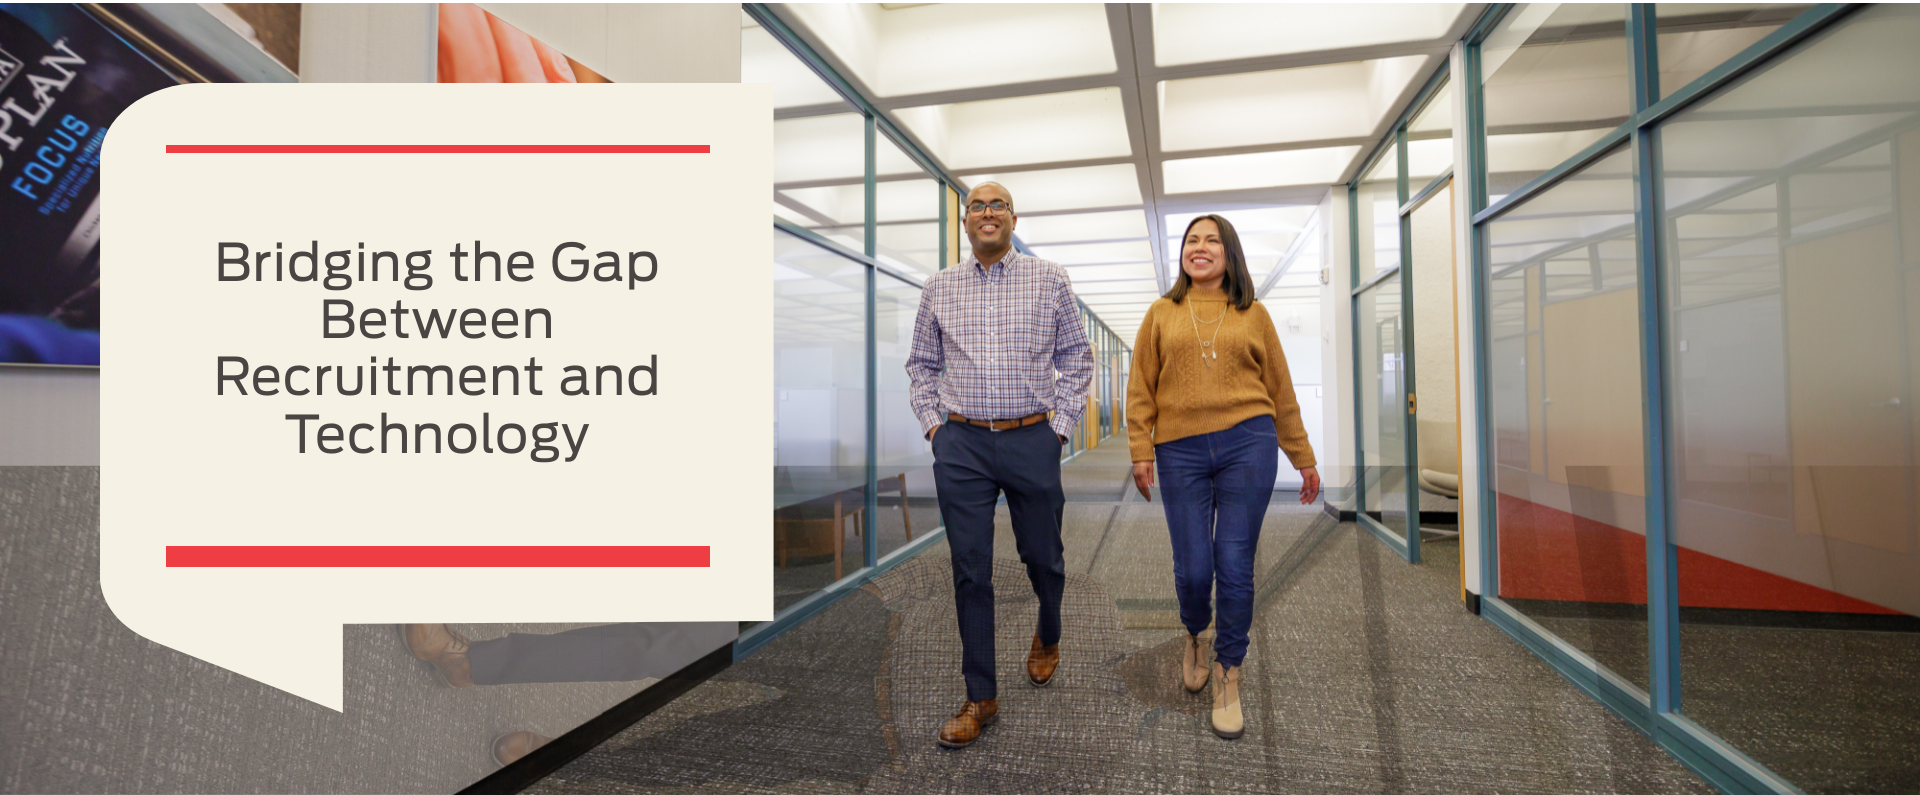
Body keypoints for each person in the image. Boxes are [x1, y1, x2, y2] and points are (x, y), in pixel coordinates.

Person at [905, 182, 1094, 749]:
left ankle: (1049, 630)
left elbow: (1077, 361)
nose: (987, 213)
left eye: (998, 205)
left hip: (1030, 437)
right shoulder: (939, 286)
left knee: (1044, 557)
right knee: (969, 568)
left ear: (1014, 218)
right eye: (976, 206)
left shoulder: (1050, 278)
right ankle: (979, 695)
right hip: (960, 444)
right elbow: (921, 365)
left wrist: (1057, 430)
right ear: (966, 222)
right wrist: (936, 428)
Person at [1126, 214, 1319, 740]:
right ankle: (1195, 633)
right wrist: (1140, 446)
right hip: (1179, 450)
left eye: (1212, 240)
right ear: (1182, 255)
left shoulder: (1253, 313)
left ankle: (1229, 669)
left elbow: (1280, 389)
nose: (1200, 247)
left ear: (1229, 254)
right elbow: (1142, 386)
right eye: (1192, 241)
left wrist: (1301, 454)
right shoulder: (1161, 313)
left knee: (1234, 563)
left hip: (1248, 443)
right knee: (1193, 569)